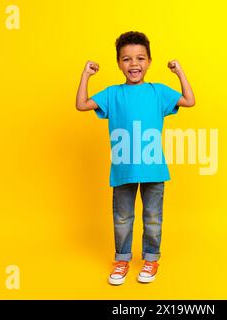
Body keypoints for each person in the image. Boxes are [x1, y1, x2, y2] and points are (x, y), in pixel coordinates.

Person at [75, 31, 195, 285]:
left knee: (152, 217)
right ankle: (122, 260)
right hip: (123, 170)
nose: (134, 64)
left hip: (153, 169)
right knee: (122, 218)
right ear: (119, 63)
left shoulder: (159, 92)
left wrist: (179, 71)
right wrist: (86, 74)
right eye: (127, 59)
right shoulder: (112, 93)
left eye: (140, 58)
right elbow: (82, 104)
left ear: (149, 62)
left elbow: (190, 100)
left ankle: (151, 259)